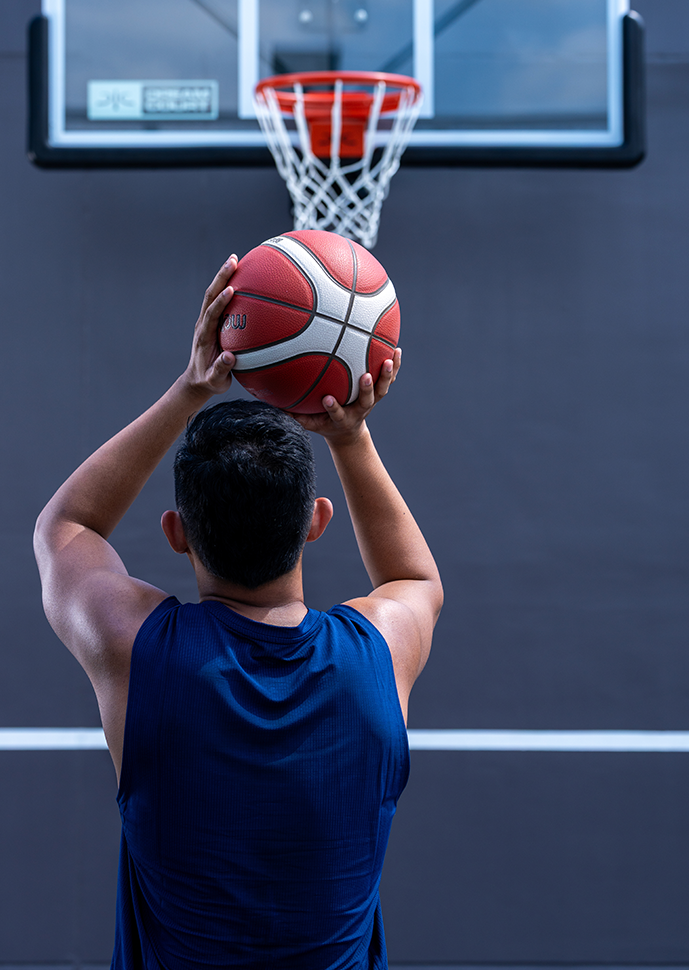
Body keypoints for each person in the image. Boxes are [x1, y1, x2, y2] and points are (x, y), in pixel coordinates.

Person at [34, 254, 443, 969]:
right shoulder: (374, 661)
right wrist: (351, 435)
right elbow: (414, 577)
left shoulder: (140, 656)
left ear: (177, 533)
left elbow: (65, 530)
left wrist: (191, 389)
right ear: (317, 521)